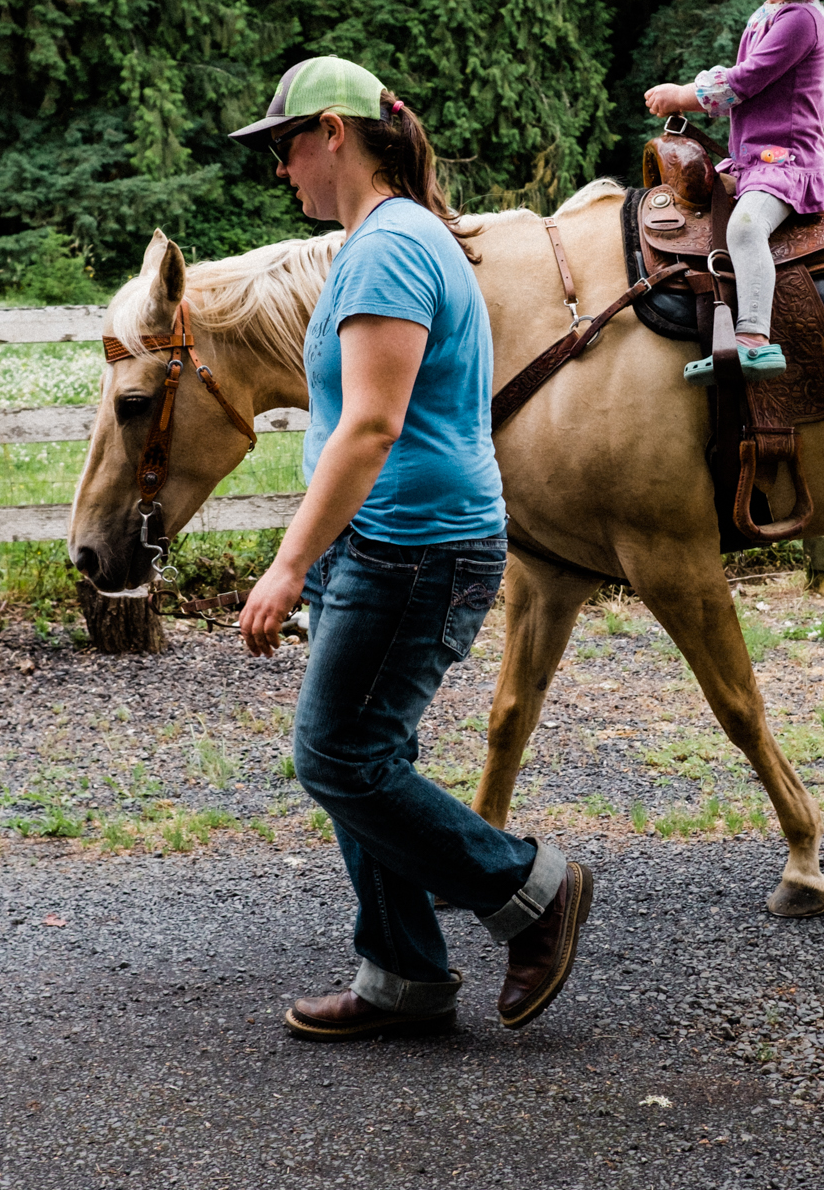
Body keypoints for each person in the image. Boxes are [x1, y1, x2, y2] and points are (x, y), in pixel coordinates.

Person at [229, 55, 592, 1041]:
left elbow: (369, 426)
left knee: (336, 756)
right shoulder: (385, 240)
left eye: (287, 145)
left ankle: (527, 888)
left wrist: (286, 562)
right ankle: (402, 974)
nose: (281, 169)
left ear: (335, 133)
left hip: (412, 546)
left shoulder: (388, 247)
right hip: (389, 541)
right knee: (365, 751)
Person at [643, 0, 824, 386]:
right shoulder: (768, 13)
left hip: (785, 162)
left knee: (743, 228)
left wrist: (682, 95)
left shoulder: (802, 20)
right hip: (753, 157)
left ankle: (755, 338)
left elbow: (745, 81)